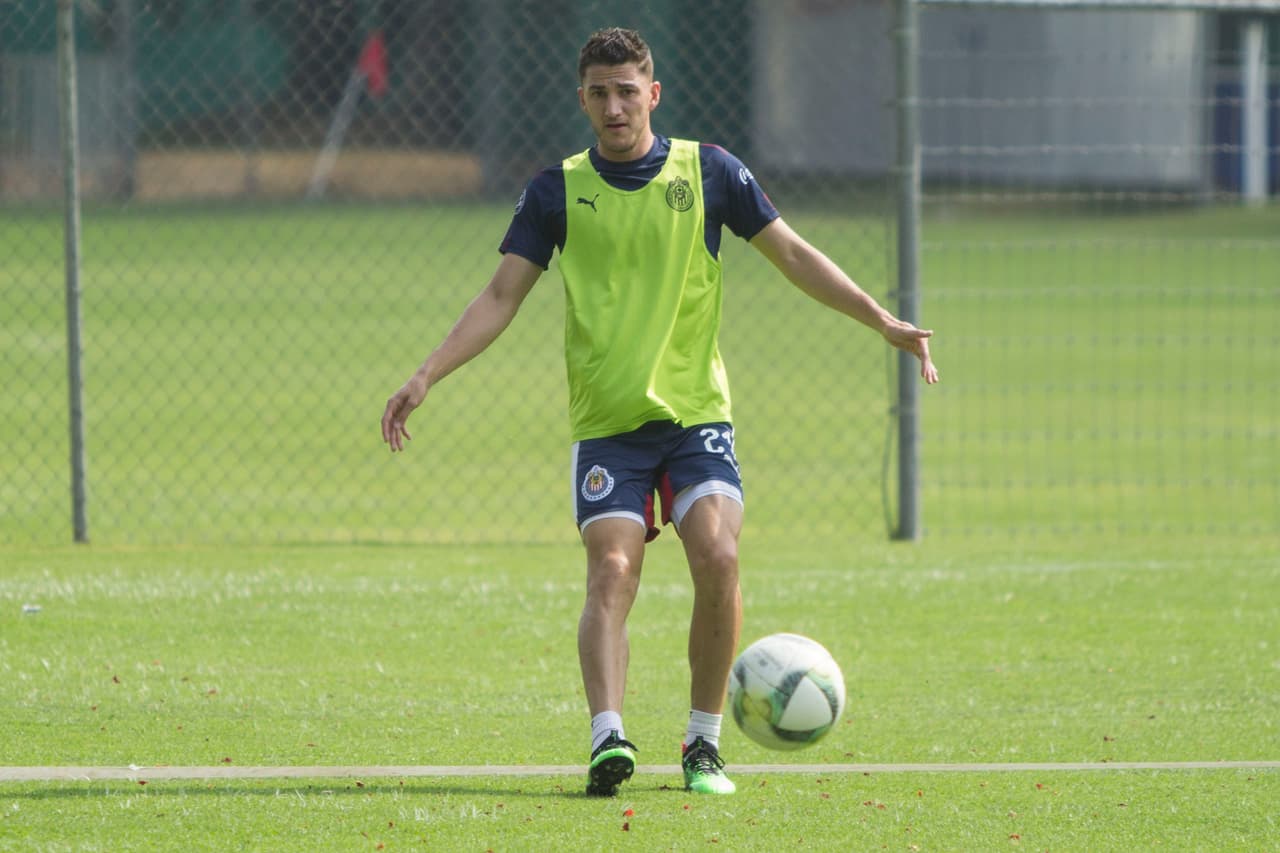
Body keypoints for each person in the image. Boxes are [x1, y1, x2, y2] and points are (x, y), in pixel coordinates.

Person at [381, 26, 939, 798]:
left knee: (719, 556)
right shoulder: (555, 191)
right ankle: (608, 737)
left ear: (653, 93)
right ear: (582, 101)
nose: (615, 107)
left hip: (695, 418)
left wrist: (881, 320)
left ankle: (703, 744)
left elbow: (794, 254)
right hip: (609, 426)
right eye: (599, 94)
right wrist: (426, 373)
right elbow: (501, 295)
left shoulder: (710, 172)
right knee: (612, 569)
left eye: (626, 91)